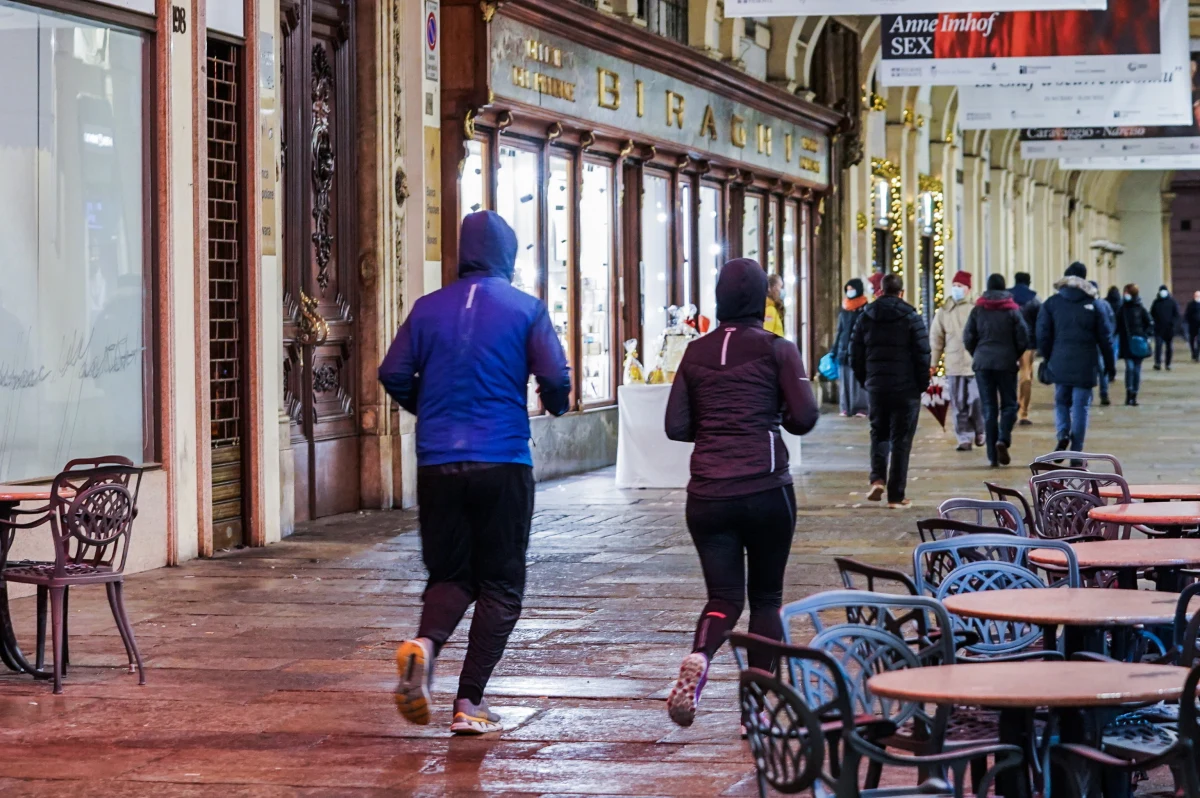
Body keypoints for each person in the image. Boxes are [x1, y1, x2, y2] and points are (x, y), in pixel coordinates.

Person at [379, 211, 571, 735]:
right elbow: (554, 375)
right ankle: (469, 702)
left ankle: (423, 646)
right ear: (507, 255)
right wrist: (556, 401)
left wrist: (431, 406)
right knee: (501, 583)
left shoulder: (426, 309)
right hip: (502, 458)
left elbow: (392, 372)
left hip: (438, 462)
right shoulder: (525, 309)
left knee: (450, 575)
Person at [664, 258, 819, 727]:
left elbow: (675, 426)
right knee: (766, 599)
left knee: (724, 597)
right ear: (761, 299)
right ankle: (756, 707)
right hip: (766, 487)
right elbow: (805, 417)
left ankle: (701, 657)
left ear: (719, 299)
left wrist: (716, 429)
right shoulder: (778, 349)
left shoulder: (694, 352)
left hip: (708, 494)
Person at [851, 273, 931, 509]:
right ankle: (896, 495)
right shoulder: (911, 317)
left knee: (879, 433)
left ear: (880, 291)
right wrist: (921, 384)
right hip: (905, 389)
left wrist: (867, 380)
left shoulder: (866, 316)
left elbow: (854, 353)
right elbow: (922, 354)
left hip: (877, 387)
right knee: (901, 441)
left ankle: (877, 479)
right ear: (901, 292)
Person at [1037, 262, 1115, 453]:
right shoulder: (1095, 304)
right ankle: (1076, 453)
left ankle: (1063, 433)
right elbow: (1105, 338)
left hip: (1059, 360)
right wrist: (1110, 365)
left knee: (1061, 401)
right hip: (1086, 363)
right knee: (1081, 406)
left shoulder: (1052, 303)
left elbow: (1042, 334)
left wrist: (1049, 357)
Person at [963, 274, 1029, 467]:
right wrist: (1014, 353)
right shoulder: (1012, 310)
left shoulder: (978, 309)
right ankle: (1003, 439)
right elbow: (1023, 337)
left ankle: (992, 456)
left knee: (989, 408)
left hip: (983, 363)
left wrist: (978, 353)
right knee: (1009, 405)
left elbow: (968, 336)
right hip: (1006, 363)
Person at [931, 270, 984, 452]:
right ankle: (964, 438)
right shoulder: (945, 310)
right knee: (958, 403)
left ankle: (980, 429)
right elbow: (936, 338)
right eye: (954, 286)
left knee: (976, 399)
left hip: (974, 363)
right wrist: (933, 362)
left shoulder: (977, 308)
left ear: (968, 289)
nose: (956, 289)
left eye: (959, 286)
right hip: (953, 363)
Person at [834, 278, 869, 417]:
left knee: (857, 380)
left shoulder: (865, 308)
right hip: (844, 350)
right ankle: (846, 407)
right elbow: (840, 330)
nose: (850, 292)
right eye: (847, 290)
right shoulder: (844, 309)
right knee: (845, 379)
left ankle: (861, 407)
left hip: (860, 349)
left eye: (852, 289)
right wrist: (835, 349)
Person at [1010, 272, 1041, 427]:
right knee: (1026, 375)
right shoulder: (1034, 300)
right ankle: (1023, 411)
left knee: (1008, 375)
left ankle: (1009, 406)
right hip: (1028, 343)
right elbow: (1039, 323)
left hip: (1009, 342)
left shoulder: (1007, 298)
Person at [1116, 283, 1153, 406]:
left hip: (1138, 343)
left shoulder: (1140, 308)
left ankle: (1134, 394)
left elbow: (1150, 323)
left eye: (1126, 292)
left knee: (1136, 370)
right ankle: (1129, 392)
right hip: (1126, 343)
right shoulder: (1122, 309)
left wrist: (1145, 335)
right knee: (1130, 368)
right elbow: (1116, 325)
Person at [1091, 281, 1116, 406]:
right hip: (1100, 342)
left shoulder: (1087, 304)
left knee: (1092, 369)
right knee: (1102, 369)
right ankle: (1104, 393)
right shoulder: (1104, 304)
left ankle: (1093, 395)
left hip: (1092, 343)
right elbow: (1111, 322)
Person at [1150, 285, 1180, 371]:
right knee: (1158, 346)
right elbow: (1152, 313)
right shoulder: (1156, 302)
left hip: (1169, 329)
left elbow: (1176, 314)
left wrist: (1173, 324)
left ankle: (1168, 363)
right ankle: (1157, 363)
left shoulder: (1172, 302)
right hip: (1158, 328)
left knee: (1169, 347)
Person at [1186, 290, 1200, 362]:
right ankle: (1193, 353)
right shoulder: (1191, 304)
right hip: (1192, 325)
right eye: (1196, 296)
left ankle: (1197, 355)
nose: (1197, 297)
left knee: (1199, 340)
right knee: (1191, 340)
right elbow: (1187, 315)